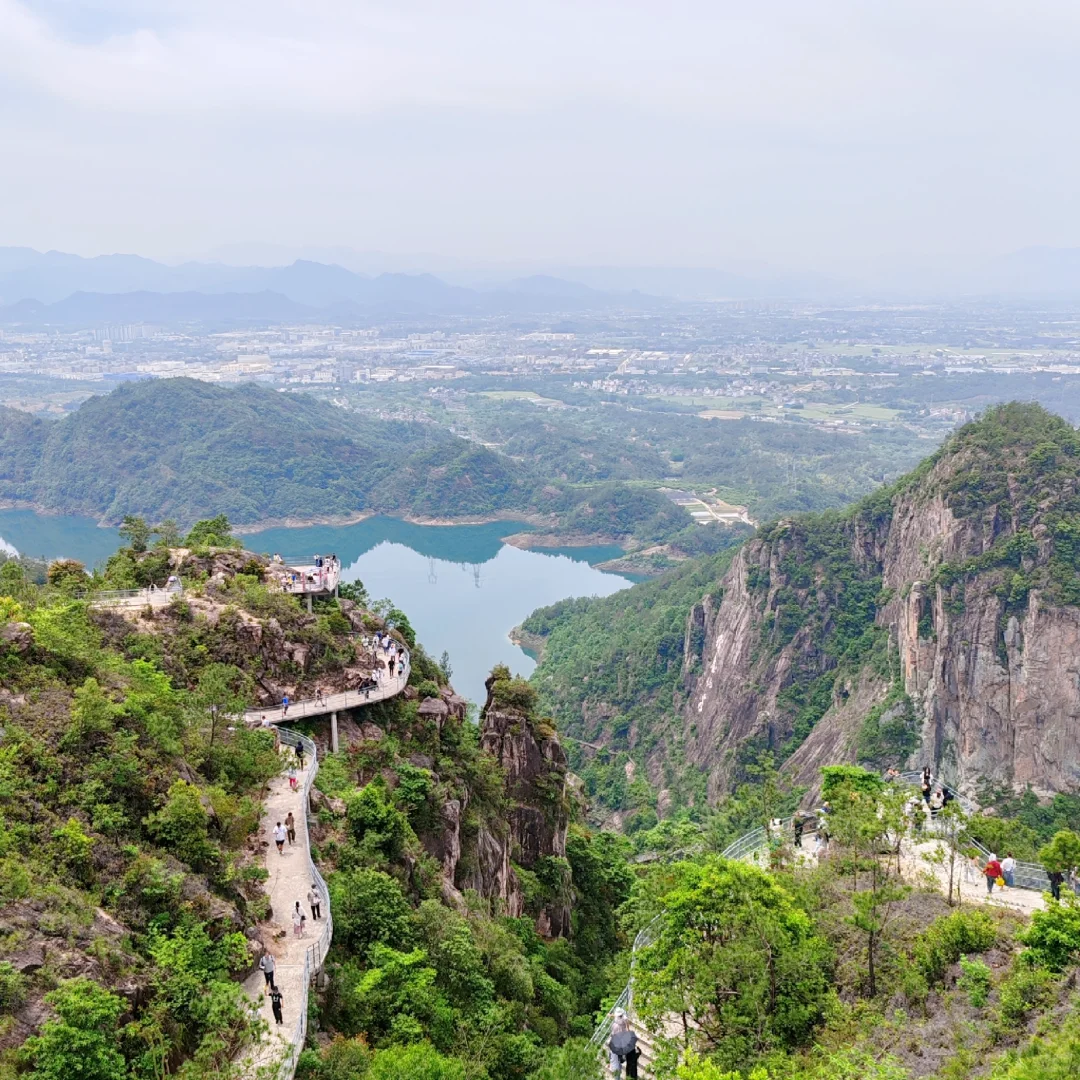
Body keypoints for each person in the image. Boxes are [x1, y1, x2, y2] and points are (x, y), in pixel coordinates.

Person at [609, 1008, 629, 1079]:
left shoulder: (624, 1018)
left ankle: (621, 1058)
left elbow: (627, 1024)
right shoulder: (617, 1017)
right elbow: (614, 1016)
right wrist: (610, 1015)